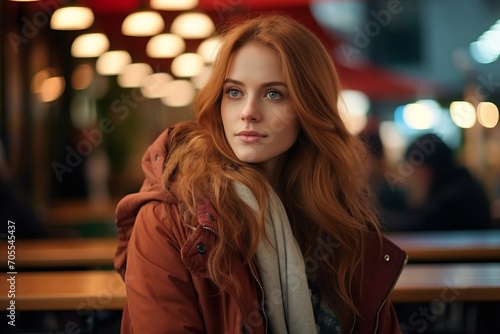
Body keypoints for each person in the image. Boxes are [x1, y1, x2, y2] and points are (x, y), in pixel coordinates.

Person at [114, 15, 407, 334]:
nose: (248, 111)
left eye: (273, 94)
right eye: (234, 92)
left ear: (309, 108)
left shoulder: (338, 219)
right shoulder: (167, 220)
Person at [383, 133, 492, 231]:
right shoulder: (459, 184)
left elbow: (416, 224)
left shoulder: (457, 193)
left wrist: (374, 219)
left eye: (413, 166)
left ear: (428, 167)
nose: (411, 174)